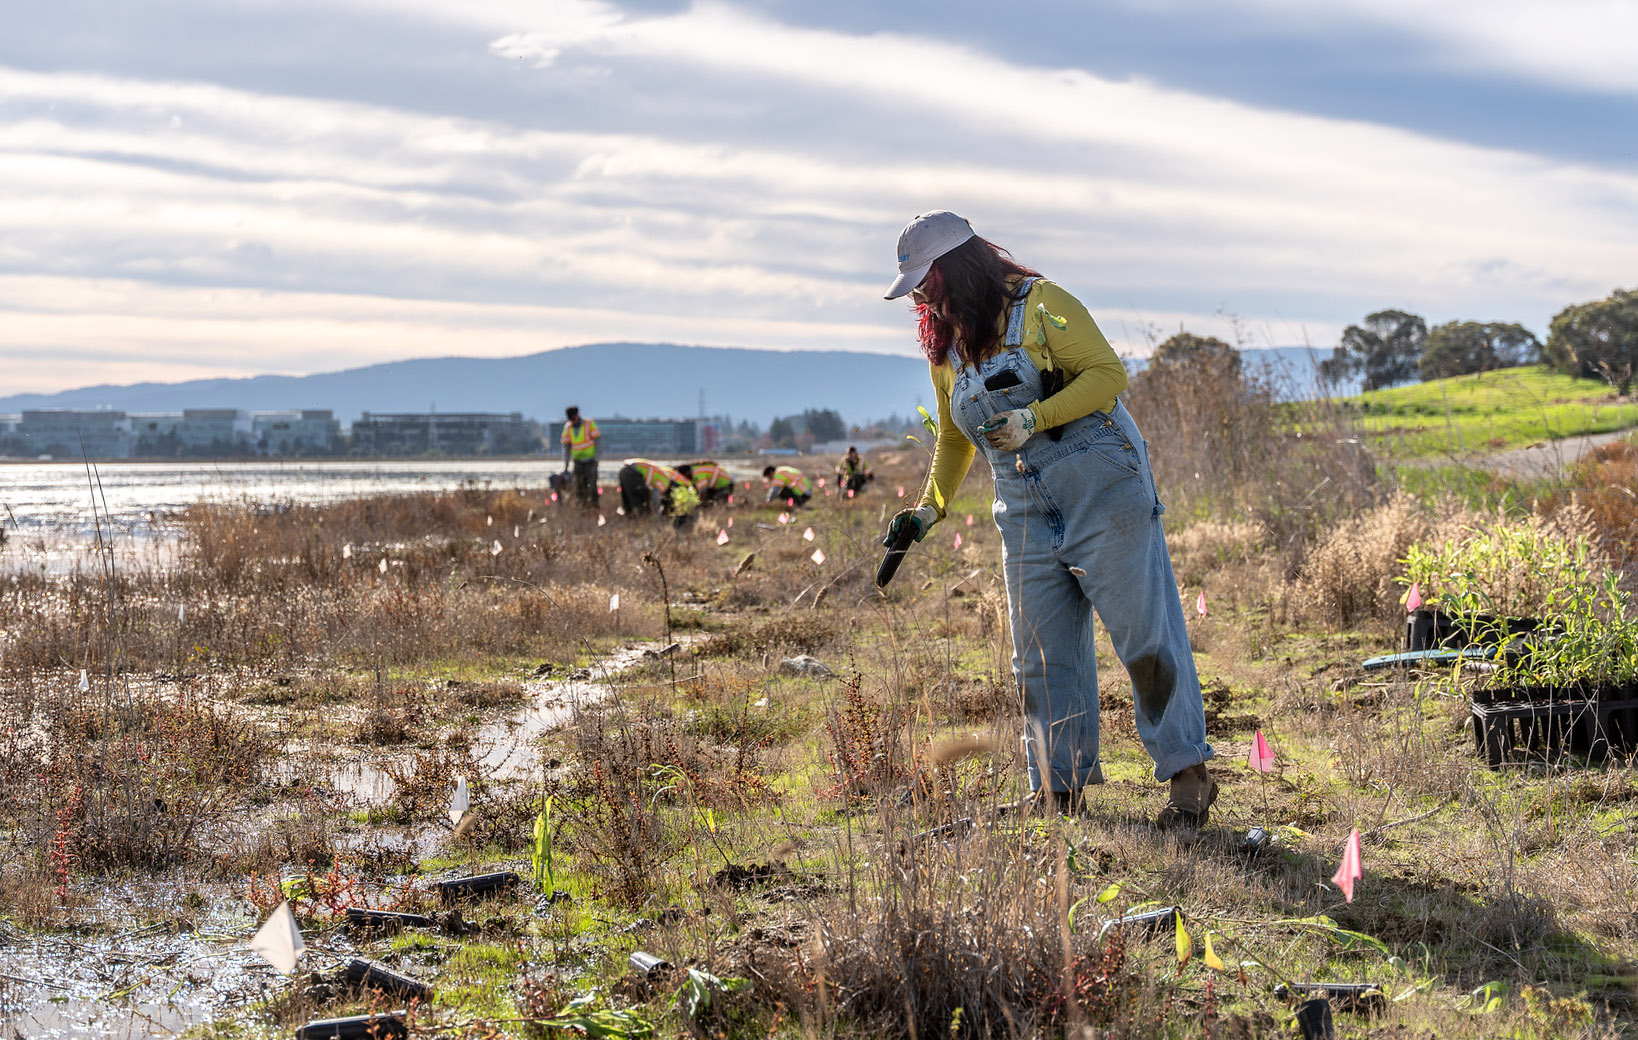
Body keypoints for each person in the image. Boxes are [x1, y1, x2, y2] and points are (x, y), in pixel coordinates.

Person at [879, 210, 1216, 828]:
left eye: (929, 279)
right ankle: (1058, 787)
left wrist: (1034, 419)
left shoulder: (1044, 304)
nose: (924, 295)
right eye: (916, 287)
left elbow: (1107, 377)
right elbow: (954, 438)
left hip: (1102, 487)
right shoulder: (946, 349)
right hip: (1023, 507)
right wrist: (928, 510)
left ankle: (1187, 776)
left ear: (962, 265)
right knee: (1039, 654)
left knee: (1144, 637)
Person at [617, 458, 695, 521]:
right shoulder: (665, 482)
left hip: (625, 470)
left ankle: (629, 517)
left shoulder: (662, 475)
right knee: (641, 498)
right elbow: (655, 496)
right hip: (632, 472)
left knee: (628, 498)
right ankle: (641, 518)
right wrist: (656, 512)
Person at [559, 406, 600, 506]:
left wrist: (596, 459)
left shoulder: (589, 424)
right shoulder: (567, 428)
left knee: (592, 486)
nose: (572, 421)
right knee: (579, 486)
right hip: (577, 462)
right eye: (570, 419)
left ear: (577, 415)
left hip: (590, 461)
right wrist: (566, 465)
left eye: (573, 418)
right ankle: (583, 508)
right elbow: (566, 448)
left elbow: (598, 443)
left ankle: (594, 506)